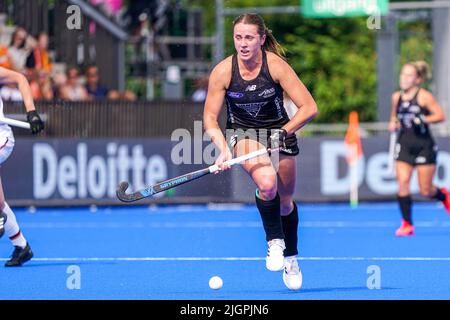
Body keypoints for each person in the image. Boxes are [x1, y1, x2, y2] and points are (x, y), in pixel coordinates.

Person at [203, 14, 318, 290]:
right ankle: (274, 241)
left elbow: (309, 108)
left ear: (261, 39)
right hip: (244, 133)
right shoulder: (223, 72)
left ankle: (291, 257)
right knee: (268, 184)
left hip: (280, 132)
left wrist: (284, 132)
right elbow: (209, 119)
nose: (242, 44)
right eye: (238, 37)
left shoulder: (275, 66)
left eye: (249, 38)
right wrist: (222, 150)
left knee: (286, 200)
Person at [389, 61, 450, 236]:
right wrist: (393, 124)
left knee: (426, 190)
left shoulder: (424, 96)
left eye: (409, 75)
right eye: (403, 74)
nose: (404, 78)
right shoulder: (396, 97)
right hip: (404, 145)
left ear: (417, 79)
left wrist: (423, 119)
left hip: (424, 145)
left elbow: (440, 115)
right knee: (402, 183)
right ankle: (407, 224)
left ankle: (443, 195)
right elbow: (394, 117)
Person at [0, 66, 44, 266]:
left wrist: (31, 112)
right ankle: (21, 246)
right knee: (0, 203)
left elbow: (20, 78)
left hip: (2, 138)